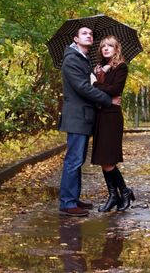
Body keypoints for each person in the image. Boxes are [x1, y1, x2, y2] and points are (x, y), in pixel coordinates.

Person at [59, 27, 121, 217]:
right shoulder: (71, 60)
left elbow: (92, 82)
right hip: (77, 116)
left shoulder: (83, 60)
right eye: (84, 33)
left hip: (85, 117)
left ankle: (73, 198)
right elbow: (83, 88)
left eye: (91, 34)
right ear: (75, 38)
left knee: (78, 160)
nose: (89, 35)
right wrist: (107, 100)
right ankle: (67, 203)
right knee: (74, 160)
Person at [91, 35, 135, 212]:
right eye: (103, 46)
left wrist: (95, 85)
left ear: (116, 49)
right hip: (100, 115)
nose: (105, 49)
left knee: (108, 159)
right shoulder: (100, 69)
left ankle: (123, 192)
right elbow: (99, 92)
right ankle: (114, 195)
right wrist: (98, 78)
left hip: (112, 117)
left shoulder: (121, 68)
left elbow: (115, 90)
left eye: (109, 46)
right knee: (103, 160)